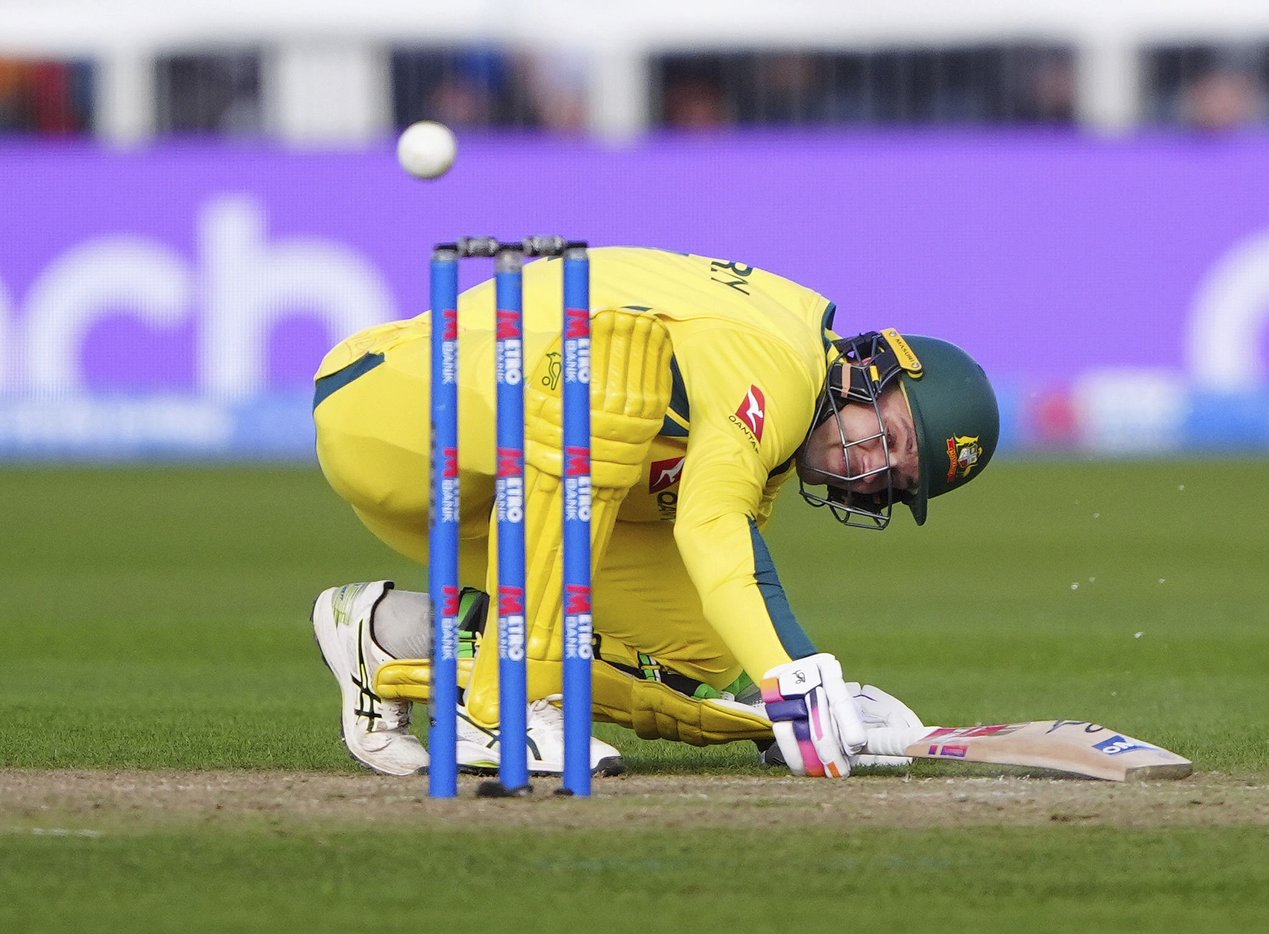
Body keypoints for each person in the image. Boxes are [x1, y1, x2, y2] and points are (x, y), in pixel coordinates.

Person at [310, 246, 998, 779]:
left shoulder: (783, 437)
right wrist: (794, 674)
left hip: (476, 489)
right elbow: (711, 524)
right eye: (891, 438)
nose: (870, 469)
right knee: (613, 385)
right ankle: (498, 710)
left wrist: (789, 702)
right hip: (392, 398)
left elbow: (724, 572)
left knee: (703, 655)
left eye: (894, 480)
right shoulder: (783, 365)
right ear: (871, 368)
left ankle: (387, 633)